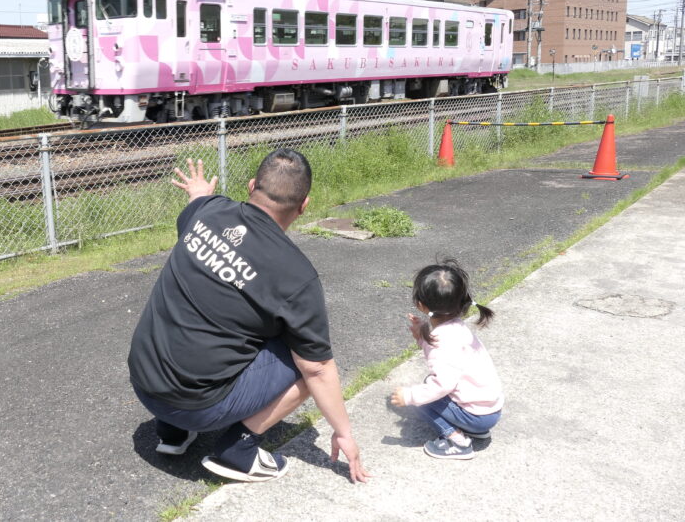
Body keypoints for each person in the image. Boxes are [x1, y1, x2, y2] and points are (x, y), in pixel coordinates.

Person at [128, 150, 369, 484]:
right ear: (303, 206)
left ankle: (172, 432)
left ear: (252, 185)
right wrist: (343, 432)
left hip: (143, 381)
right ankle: (238, 449)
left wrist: (199, 191)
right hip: (197, 405)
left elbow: (197, 207)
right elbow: (317, 369)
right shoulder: (296, 277)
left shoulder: (206, 211)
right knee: (306, 358)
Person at [390, 259, 504, 460]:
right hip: (489, 409)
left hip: (478, 415)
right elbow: (443, 357)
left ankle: (457, 442)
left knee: (423, 398)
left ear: (420, 305)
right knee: (427, 386)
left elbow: (441, 384)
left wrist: (409, 396)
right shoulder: (457, 328)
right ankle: (473, 429)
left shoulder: (443, 342)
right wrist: (422, 334)